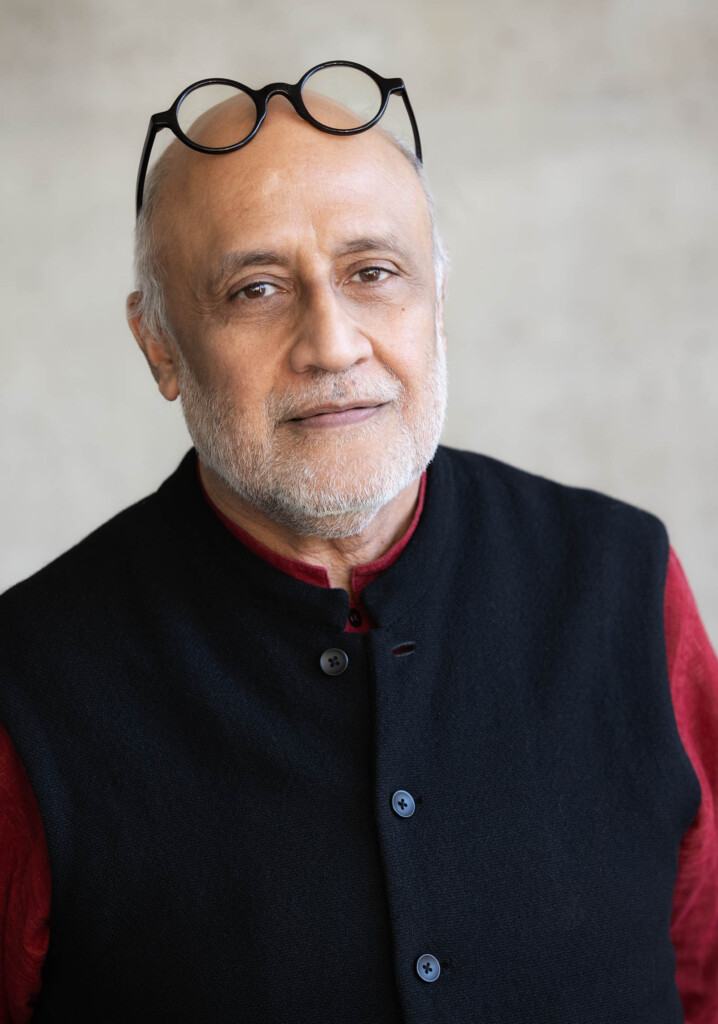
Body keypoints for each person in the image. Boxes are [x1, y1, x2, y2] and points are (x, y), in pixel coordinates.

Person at [1, 62, 716, 1024]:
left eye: (374, 273)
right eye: (256, 289)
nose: (333, 344)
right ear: (160, 344)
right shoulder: (31, 679)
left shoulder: (623, 582)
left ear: (439, 304)